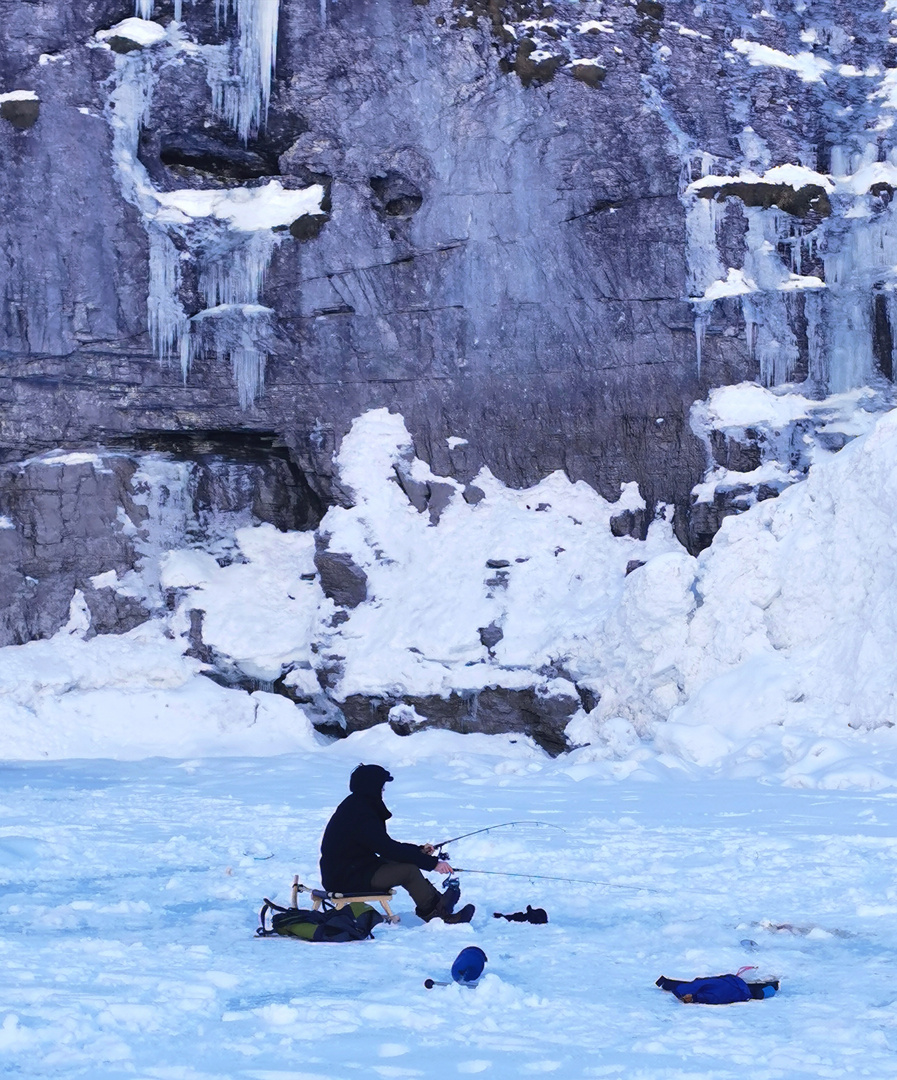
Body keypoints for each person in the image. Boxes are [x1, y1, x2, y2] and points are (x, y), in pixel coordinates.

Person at [320, 763, 474, 923]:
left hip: (352, 870)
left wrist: (418, 851)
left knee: (399, 861)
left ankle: (439, 904)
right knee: (408, 871)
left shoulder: (357, 806)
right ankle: (437, 913)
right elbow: (387, 848)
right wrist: (433, 864)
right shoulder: (360, 813)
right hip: (346, 878)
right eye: (382, 786)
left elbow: (384, 845)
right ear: (371, 786)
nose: (383, 790)